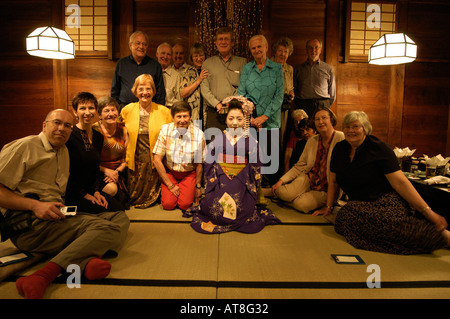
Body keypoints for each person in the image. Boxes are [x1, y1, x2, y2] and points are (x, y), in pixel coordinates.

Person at [0, 109, 129, 299]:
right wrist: (35, 205)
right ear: (44, 125)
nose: (62, 129)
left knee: (119, 217)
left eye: (68, 125)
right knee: (106, 228)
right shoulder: (25, 146)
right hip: (30, 223)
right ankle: (42, 276)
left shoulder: (63, 151)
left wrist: (92, 193)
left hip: (58, 217)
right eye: (57, 123)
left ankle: (83, 260)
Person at [313, 111, 450, 254]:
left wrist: (429, 213)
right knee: (345, 218)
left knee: (355, 216)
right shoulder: (340, 149)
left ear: (365, 129)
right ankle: (427, 237)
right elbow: (333, 181)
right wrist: (328, 207)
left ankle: (437, 236)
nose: (350, 130)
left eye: (355, 126)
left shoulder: (378, 148)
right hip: (360, 206)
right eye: (347, 127)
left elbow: (401, 183)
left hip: (387, 200)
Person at [185, 97, 281, 234]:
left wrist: (242, 176)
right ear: (225, 120)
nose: (234, 122)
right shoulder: (218, 138)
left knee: (241, 207)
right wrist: (217, 175)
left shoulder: (252, 141)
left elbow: (256, 166)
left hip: (243, 180)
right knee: (214, 207)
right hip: (219, 178)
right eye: (231, 119)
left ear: (244, 120)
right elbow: (209, 162)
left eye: (239, 119)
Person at [271, 106, 344, 213]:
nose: (320, 122)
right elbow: (300, 165)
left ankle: (298, 199)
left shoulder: (340, 138)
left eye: (324, 118)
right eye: (317, 119)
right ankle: (291, 196)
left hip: (327, 188)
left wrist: (329, 206)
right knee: (281, 192)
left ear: (331, 120)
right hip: (309, 179)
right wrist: (281, 180)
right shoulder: (312, 141)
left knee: (300, 204)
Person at [65, 92, 125, 213]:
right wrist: (85, 194)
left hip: (92, 187)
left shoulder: (98, 136)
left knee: (119, 211)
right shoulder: (69, 135)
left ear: (96, 111)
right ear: (75, 112)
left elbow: (95, 169)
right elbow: (66, 173)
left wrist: (96, 191)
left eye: (91, 108)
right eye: (82, 108)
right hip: (74, 190)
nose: (87, 112)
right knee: (104, 214)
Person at [237, 34, 284, 186]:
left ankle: (271, 192)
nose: (257, 50)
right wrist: (249, 118)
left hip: (271, 120)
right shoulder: (247, 68)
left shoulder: (277, 68)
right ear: (250, 51)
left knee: (271, 160)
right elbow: (241, 94)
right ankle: (253, 190)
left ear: (266, 47)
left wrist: (264, 116)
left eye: (259, 46)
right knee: (252, 158)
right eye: (253, 48)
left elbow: (279, 96)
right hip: (250, 120)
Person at [120, 74, 172, 208]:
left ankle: (153, 199)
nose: (145, 93)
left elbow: (173, 133)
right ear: (135, 91)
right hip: (134, 155)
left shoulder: (164, 111)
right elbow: (118, 129)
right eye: (141, 89)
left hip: (155, 156)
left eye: (148, 89)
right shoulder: (127, 110)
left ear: (153, 91)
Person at [153, 101, 205, 211]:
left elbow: (199, 164)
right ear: (172, 118)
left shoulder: (199, 134)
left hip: (188, 173)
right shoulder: (165, 130)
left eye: (185, 116)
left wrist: (198, 186)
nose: (182, 120)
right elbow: (157, 160)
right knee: (168, 205)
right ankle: (177, 190)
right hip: (170, 173)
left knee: (185, 205)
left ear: (190, 117)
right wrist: (170, 185)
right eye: (178, 116)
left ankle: (184, 190)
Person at [200, 27, 247, 132]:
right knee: (214, 145)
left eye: (226, 39)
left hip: (236, 112)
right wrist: (217, 104)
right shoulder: (207, 63)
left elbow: (244, 86)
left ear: (232, 42)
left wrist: (234, 103)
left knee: (236, 145)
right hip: (214, 111)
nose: (223, 42)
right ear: (216, 43)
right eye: (220, 39)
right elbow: (204, 88)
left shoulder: (242, 63)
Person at [111, 31, 165, 108]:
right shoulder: (121, 64)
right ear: (130, 45)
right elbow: (115, 90)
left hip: (149, 109)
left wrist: (160, 111)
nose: (141, 47)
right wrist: (115, 108)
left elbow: (160, 93)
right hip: (125, 108)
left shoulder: (155, 65)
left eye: (144, 44)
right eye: (138, 43)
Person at [93, 96, 129, 208]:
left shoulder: (123, 130)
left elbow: (126, 158)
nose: (110, 114)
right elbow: (90, 158)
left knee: (112, 189)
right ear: (99, 115)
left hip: (118, 172)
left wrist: (116, 172)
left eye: (113, 110)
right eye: (106, 111)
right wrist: (106, 171)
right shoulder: (94, 130)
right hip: (97, 170)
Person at [293, 39, 336, 117]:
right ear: (306, 50)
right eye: (310, 48)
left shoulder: (328, 68)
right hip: (303, 105)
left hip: (322, 105)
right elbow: (295, 88)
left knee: (321, 128)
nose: (313, 50)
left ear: (320, 50)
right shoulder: (298, 69)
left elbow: (332, 92)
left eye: (316, 47)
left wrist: (325, 104)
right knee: (304, 128)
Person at [271, 37, 295, 149]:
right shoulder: (267, 65)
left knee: (283, 137)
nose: (283, 54)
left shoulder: (289, 68)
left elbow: (290, 87)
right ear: (275, 51)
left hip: (284, 108)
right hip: (270, 107)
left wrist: (291, 94)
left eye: (286, 51)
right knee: (271, 137)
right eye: (280, 51)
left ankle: (279, 164)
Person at [180, 43, 209, 127]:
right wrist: (199, 80)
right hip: (193, 114)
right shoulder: (186, 72)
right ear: (191, 57)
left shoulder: (209, 70)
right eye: (196, 56)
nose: (199, 58)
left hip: (208, 113)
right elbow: (183, 93)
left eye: (201, 55)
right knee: (195, 138)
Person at [156, 42, 182, 108]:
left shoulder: (176, 75)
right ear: (157, 54)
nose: (165, 57)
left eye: (168, 54)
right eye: (163, 53)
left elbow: (179, 100)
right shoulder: (151, 71)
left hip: (170, 111)